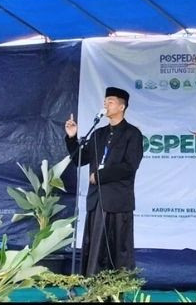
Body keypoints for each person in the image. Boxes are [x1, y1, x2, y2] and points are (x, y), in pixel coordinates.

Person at [65, 87, 145, 276]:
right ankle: (94, 284)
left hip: (117, 201)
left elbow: (129, 166)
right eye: (105, 102)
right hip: (97, 199)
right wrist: (72, 137)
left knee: (118, 248)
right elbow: (80, 159)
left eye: (110, 102)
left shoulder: (132, 134)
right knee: (95, 247)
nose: (106, 105)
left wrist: (100, 176)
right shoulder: (98, 134)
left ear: (122, 107)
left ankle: (117, 286)